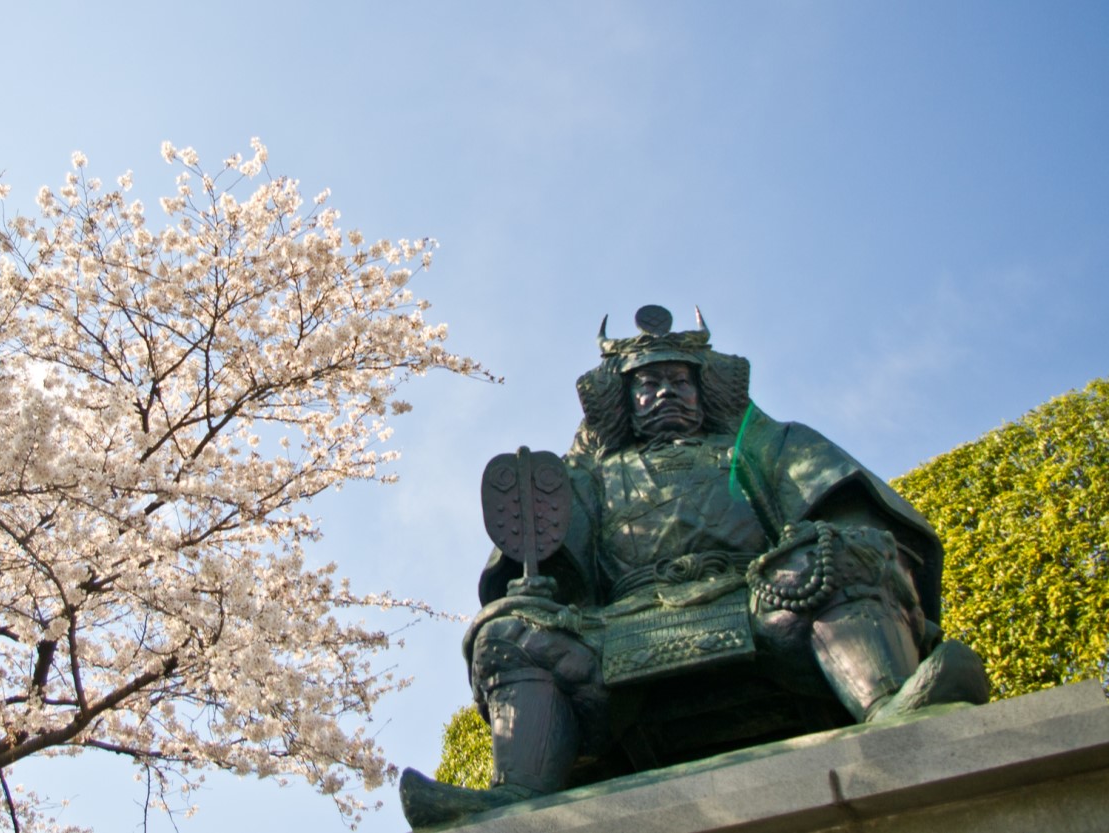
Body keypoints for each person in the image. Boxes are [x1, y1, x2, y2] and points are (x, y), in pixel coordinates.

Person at [399, 305, 990, 829]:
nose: (665, 393)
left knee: (835, 553)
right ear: (622, 400)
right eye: (647, 384)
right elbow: (541, 552)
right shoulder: (588, 475)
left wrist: (829, 540)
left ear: (705, 390)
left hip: (763, 594)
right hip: (622, 626)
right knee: (507, 630)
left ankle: (886, 698)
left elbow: (843, 502)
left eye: (680, 380)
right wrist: (535, 584)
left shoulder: (763, 445)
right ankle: (520, 789)